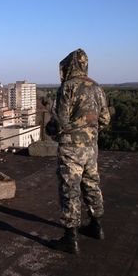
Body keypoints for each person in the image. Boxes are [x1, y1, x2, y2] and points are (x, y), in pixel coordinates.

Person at [46, 48, 111, 254]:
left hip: (71, 149)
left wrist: (51, 129)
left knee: (70, 189)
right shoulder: (97, 88)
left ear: (70, 64)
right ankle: (96, 225)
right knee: (92, 183)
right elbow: (105, 120)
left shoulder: (67, 87)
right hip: (91, 147)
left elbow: (61, 122)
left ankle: (70, 238)